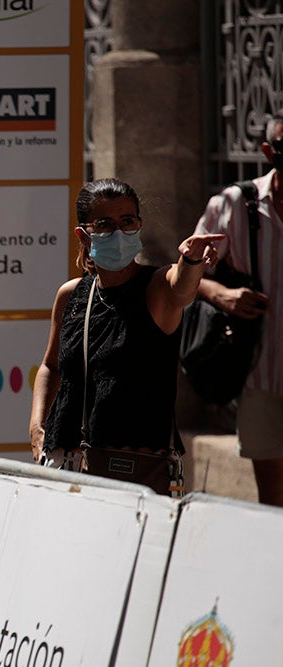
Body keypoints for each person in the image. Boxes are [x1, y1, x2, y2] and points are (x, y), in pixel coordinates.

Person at [29, 178, 224, 495]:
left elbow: (182, 287)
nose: (118, 232)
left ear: (139, 226)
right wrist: (37, 426)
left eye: (127, 221)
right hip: (67, 466)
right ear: (84, 234)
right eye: (104, 225)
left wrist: (190, 260)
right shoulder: (72, 296)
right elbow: (51, 366)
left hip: (136, 472)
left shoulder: (156, 287)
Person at [193, 114, 283, 506]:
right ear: (268, 152)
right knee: (273, 494)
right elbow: (188, 274)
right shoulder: (235, 204)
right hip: (260, 377)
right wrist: (222, 296)